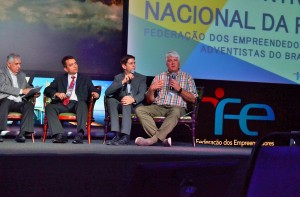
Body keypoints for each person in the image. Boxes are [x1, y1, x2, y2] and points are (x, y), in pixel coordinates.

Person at [134, 50, 198, 147]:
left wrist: (180, 89)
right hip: (159, 106)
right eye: (170, 61)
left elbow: (194, 99)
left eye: (175, 60)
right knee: (140, 110)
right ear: (166, 63)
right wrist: (151, 90)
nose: (172, 63)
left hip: (177, 108)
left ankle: (151, 140)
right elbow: (149, 101)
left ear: (179, 63)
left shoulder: (187, 77)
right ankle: (162, 139)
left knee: (175, 111)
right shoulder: (159, 77)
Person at [44, 55, 100, 144]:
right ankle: (59, 135)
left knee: (82, 104)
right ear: (66, 69)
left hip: (78, 104)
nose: (75, 66)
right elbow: (47, 90)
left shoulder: (85, 79)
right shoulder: (60, 78)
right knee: (50, 107)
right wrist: (56, 93)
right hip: (64, 104)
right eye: (71, 65)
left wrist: (96, 93)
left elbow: (93, 89)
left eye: (75, 63)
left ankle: (80, 134)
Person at [105, 54, 147, 145]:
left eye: (134, 63)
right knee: (111, 100)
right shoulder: (118, 78)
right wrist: (122, 82)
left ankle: (125, 136)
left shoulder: (141, 78)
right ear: (124, 66)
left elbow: (142, 94)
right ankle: (117, 134)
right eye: (131, 63)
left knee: (126, 102)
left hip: (134, 107)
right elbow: (107, 92)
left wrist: (132, 99)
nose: (134, 65)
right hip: (121, 104)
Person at [0, 53, 40, 143]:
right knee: (5, 102)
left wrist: (33, 93)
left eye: (20, 64)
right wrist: (21, 91)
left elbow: (27, 87)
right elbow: (2, 87)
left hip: (18, 101)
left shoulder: (22, 75)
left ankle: (22, 134)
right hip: (5, 100)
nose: (19, 66)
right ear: (8, 64)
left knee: (29, 105)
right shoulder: (1, 72)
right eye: (16, 64)